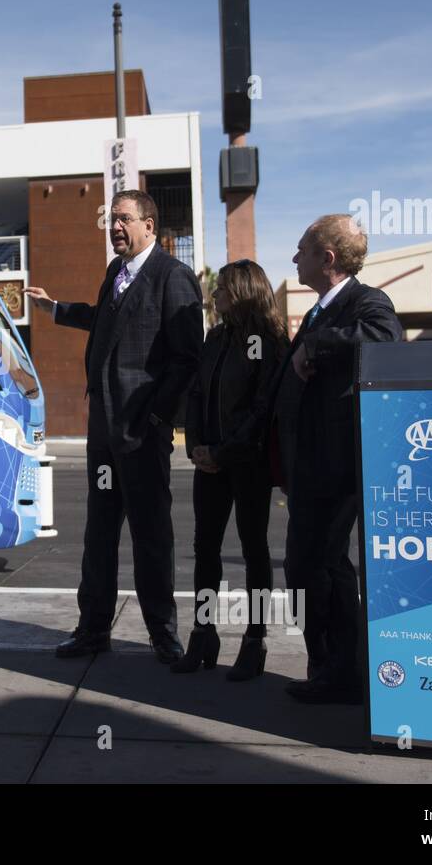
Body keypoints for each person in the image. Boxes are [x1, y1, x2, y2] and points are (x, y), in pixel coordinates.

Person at [26, 190, 204, 664]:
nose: (115, 227)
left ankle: (163, 634)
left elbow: (187, 360)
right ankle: (92, 630)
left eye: (124, 219)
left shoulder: (174, 277)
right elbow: (105, 322)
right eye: (111, 220)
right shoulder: (115, 275)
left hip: (143, 434)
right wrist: (56, 308)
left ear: (149, 225)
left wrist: (157, 417)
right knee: (99, 535)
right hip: (103, 433)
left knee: (151, 538)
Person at [251, 215, 403, 704]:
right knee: (307, 566)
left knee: (320, 565)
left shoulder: (366, 302)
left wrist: (316, 344)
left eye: (301, 250)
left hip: (335, 467)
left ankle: (342, 673)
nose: (294, 258)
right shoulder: (320, 309)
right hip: (307, 467)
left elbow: (385, 339)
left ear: (328, 258)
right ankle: (330, 668)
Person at [173, 260, 287, 680]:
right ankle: (204, 633)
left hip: (248, 465)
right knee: (206, 549)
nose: (214, 295)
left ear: (241, 292)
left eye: (221, 289)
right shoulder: (216, 337)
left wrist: (224, 451)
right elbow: (199, 392)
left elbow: (262, 409)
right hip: (211, 463)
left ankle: (254, 641)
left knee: (254, 550)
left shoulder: (265, 341)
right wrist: (199, 445)